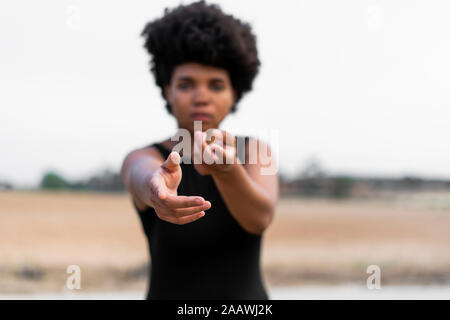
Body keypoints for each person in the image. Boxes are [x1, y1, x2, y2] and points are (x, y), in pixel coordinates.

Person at [120, 0, 279, 300]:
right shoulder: (146, 157)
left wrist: (228, 171)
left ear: (235, 93)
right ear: (167, 90)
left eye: (216, 85)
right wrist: (155, 189)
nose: (201, 96)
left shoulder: (257, 151)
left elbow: (260, 217)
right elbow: (140, 175)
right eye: (186, 84)